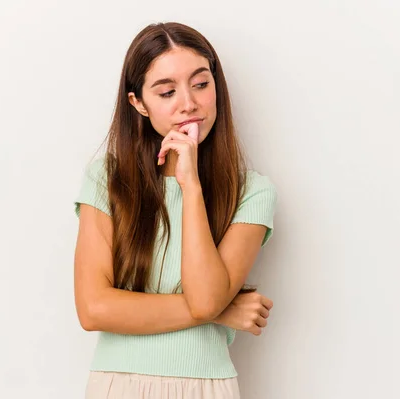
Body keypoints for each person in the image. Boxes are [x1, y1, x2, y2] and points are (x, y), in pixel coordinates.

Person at [73, 21, 277, 398]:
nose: (189, 103)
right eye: (167, 91)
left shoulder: (252, 192)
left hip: (206, 386)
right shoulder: (108, 178)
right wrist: (219, 311)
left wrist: (191, 184)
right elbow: (94, 308)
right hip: (117, 384)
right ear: (138, 103)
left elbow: (204, 297)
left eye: (201, 84)